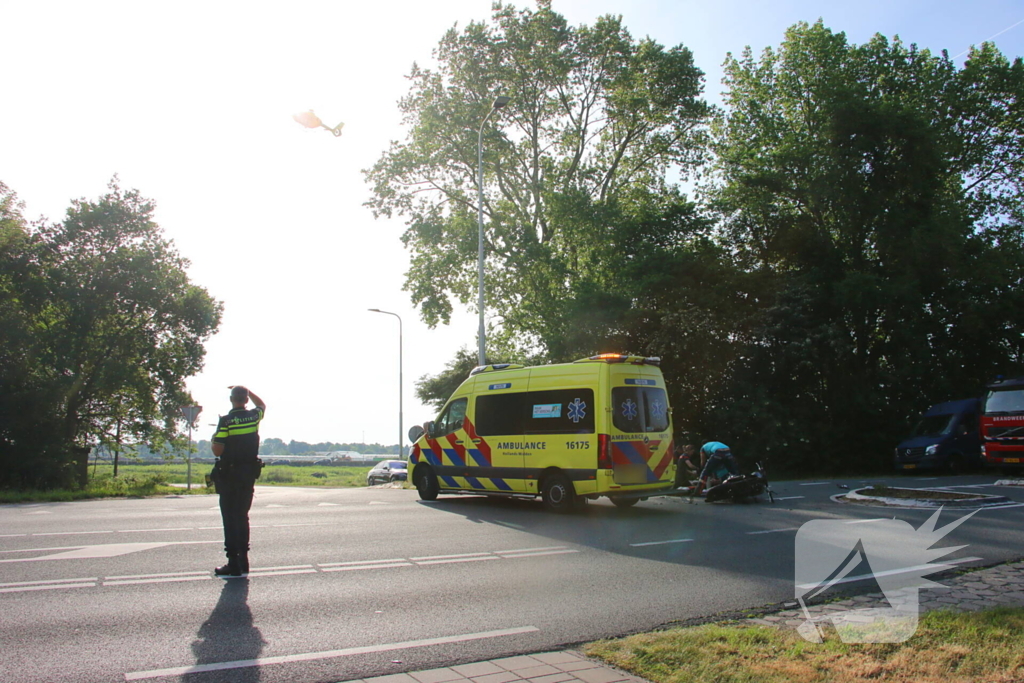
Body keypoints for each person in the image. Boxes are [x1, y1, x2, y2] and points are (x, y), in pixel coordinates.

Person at [210, 385, 266, 577]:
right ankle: (244, 560)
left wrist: (213, 439)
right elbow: (262, 405)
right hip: (249, 474)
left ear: (231, 399)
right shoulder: (253, 416)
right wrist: (249, 391)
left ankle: (233, 562)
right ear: (246, 400)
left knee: (229, 517)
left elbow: (218, 450)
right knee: (242, 516)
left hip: (229, 474)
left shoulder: (226, 421)